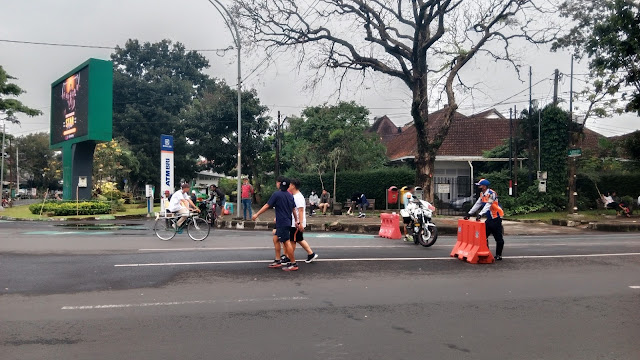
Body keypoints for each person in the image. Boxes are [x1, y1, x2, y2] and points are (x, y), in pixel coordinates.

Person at [252, 176, 299, 271]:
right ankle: (278, 260)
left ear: (280, 184)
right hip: (286, 221)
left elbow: (267, 205)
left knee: (286, 242)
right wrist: (297, 220)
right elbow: (294, 209)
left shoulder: (276, 194)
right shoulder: (290, 195)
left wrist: (257, 214)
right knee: (276, 239)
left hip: (282, 222)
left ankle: (293, 263)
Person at [465, 179, 505, 260]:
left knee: (498, 238)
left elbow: (488, 205)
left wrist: (480, 214)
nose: (478, 186)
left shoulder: (491, 194)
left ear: (484, 186)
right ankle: (487, 253)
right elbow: (478, 204)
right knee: (483, 237)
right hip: (489, 219)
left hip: (495, 218)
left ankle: (499, 255)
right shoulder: (482, 194)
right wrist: (469, 213)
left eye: (480, 185)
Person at [289, 179, 318, 263]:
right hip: (295, 222)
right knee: (299, 239)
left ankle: (289, 257)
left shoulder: (298, 197)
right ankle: (311, 254)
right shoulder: (295, 196)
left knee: (293, 240)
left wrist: (300, 223)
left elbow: (301, 210)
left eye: (290, 185)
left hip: (296, 223)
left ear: (293, 186)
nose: (288, 186)